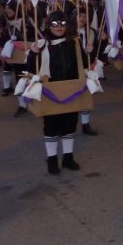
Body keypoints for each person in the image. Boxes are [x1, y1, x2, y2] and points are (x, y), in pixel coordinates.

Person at [28, 10, 88, 175]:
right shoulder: (42, 45)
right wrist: (33, 54)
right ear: (49, 25)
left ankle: (68, 157)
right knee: (51, 126)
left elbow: (83, 64)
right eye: (55, 23)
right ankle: (52, 159)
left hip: (71, 90)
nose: (59, 27)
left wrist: (88, 52)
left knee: (70, 124)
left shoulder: (74, 43)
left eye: (62, 23)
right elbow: (31, 69)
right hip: (50, 91)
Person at [0, 0, 38, 116]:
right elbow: (3, 37)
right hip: (16, 56)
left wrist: (22, 36)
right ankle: (22, 105)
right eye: (6, 8)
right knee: (19, 78)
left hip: (28, 55)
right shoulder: (6, 22)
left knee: (30, 77)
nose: (7, 10)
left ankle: (33, 100)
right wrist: (2, 43)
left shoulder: (27, 20)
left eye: (10, 8)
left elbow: (36, 34)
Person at [76, 7, 98, 135]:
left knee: (87, 94)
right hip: (72, 68)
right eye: (79, 15)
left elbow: (97, 51)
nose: (82, 19)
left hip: (87, 67)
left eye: (84, 16)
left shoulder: (91, 32)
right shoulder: (69, 31)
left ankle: (85, 124)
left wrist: (92, 50)